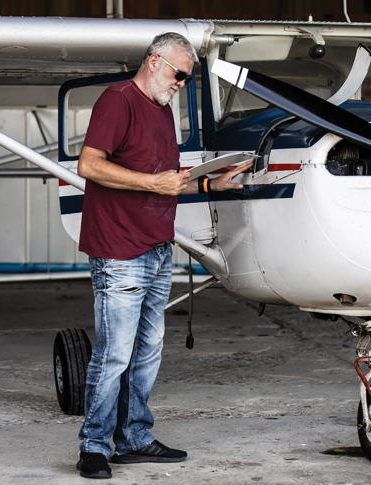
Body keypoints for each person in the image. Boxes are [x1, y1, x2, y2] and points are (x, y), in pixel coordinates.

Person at [74, 32, 253, 480]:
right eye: (179, 75)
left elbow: (169, 181)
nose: (181, 84)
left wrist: (214, 183)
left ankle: (134, 437)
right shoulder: (119, 101)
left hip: (156, 249)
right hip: (120, 252)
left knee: (147, 352)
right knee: (114, 354)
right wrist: (154, 183)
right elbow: (89, 165)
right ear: (154, 62)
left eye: (187, 80)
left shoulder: (161, 110)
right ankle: (94, 446)